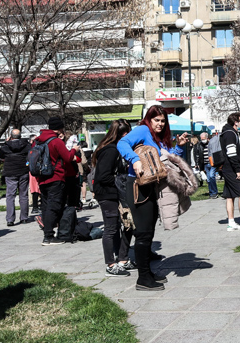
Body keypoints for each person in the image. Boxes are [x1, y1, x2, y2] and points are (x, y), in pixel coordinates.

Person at [118, 105, 188, 290]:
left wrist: (179, 147)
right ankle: (142, 279)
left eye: (163, 121)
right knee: (142, 233)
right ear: (149, 120)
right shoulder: (142, 130)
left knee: (148, 232)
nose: (160, 124)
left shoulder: (159, 138)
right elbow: (121, 143)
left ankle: (147, 272)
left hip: (151, 187)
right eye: (156, 120)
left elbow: (168, 161)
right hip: (137, 187)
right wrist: (135, 160)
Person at [92, 119, 133, 277]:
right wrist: (121, 183)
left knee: (129, 224)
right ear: (123, 134)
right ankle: (110, 264)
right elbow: (103, 176)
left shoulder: (116, 148)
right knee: (110, 228)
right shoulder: (111, 150)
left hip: (118, 194)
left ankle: (123, 258)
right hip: (108, 194)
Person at [35, 117, 81, 246]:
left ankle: (49, 232)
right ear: (60, 128)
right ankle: (48, 236)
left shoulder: (38, 140)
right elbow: (67, 158)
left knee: (45, 205)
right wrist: (74, 150)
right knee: (54, 206)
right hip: (56, 177)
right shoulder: (55, 141)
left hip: (42, 177)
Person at [0, 129, 31, 226]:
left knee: (10, 196)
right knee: (23, 195)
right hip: (23, 171)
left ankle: (10, 219)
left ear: (11, 136)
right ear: (20, 136)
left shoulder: (6, 147)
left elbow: (0, 155)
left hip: (10, 172)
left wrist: (6, 142)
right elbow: (30, 155)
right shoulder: (26, 145)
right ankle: (24, 217)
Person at [192, 132, 219, 199]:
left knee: (212, 176)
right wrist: (197, 164)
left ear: (207, 138)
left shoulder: (211, 144)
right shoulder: (200, 145)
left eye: (203, 139)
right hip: (205, 164)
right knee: (209, 179)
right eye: (201, 139)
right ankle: (211, 192)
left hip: (212, 163)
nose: (202, 140)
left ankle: (214, 192)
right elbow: (198, 155)